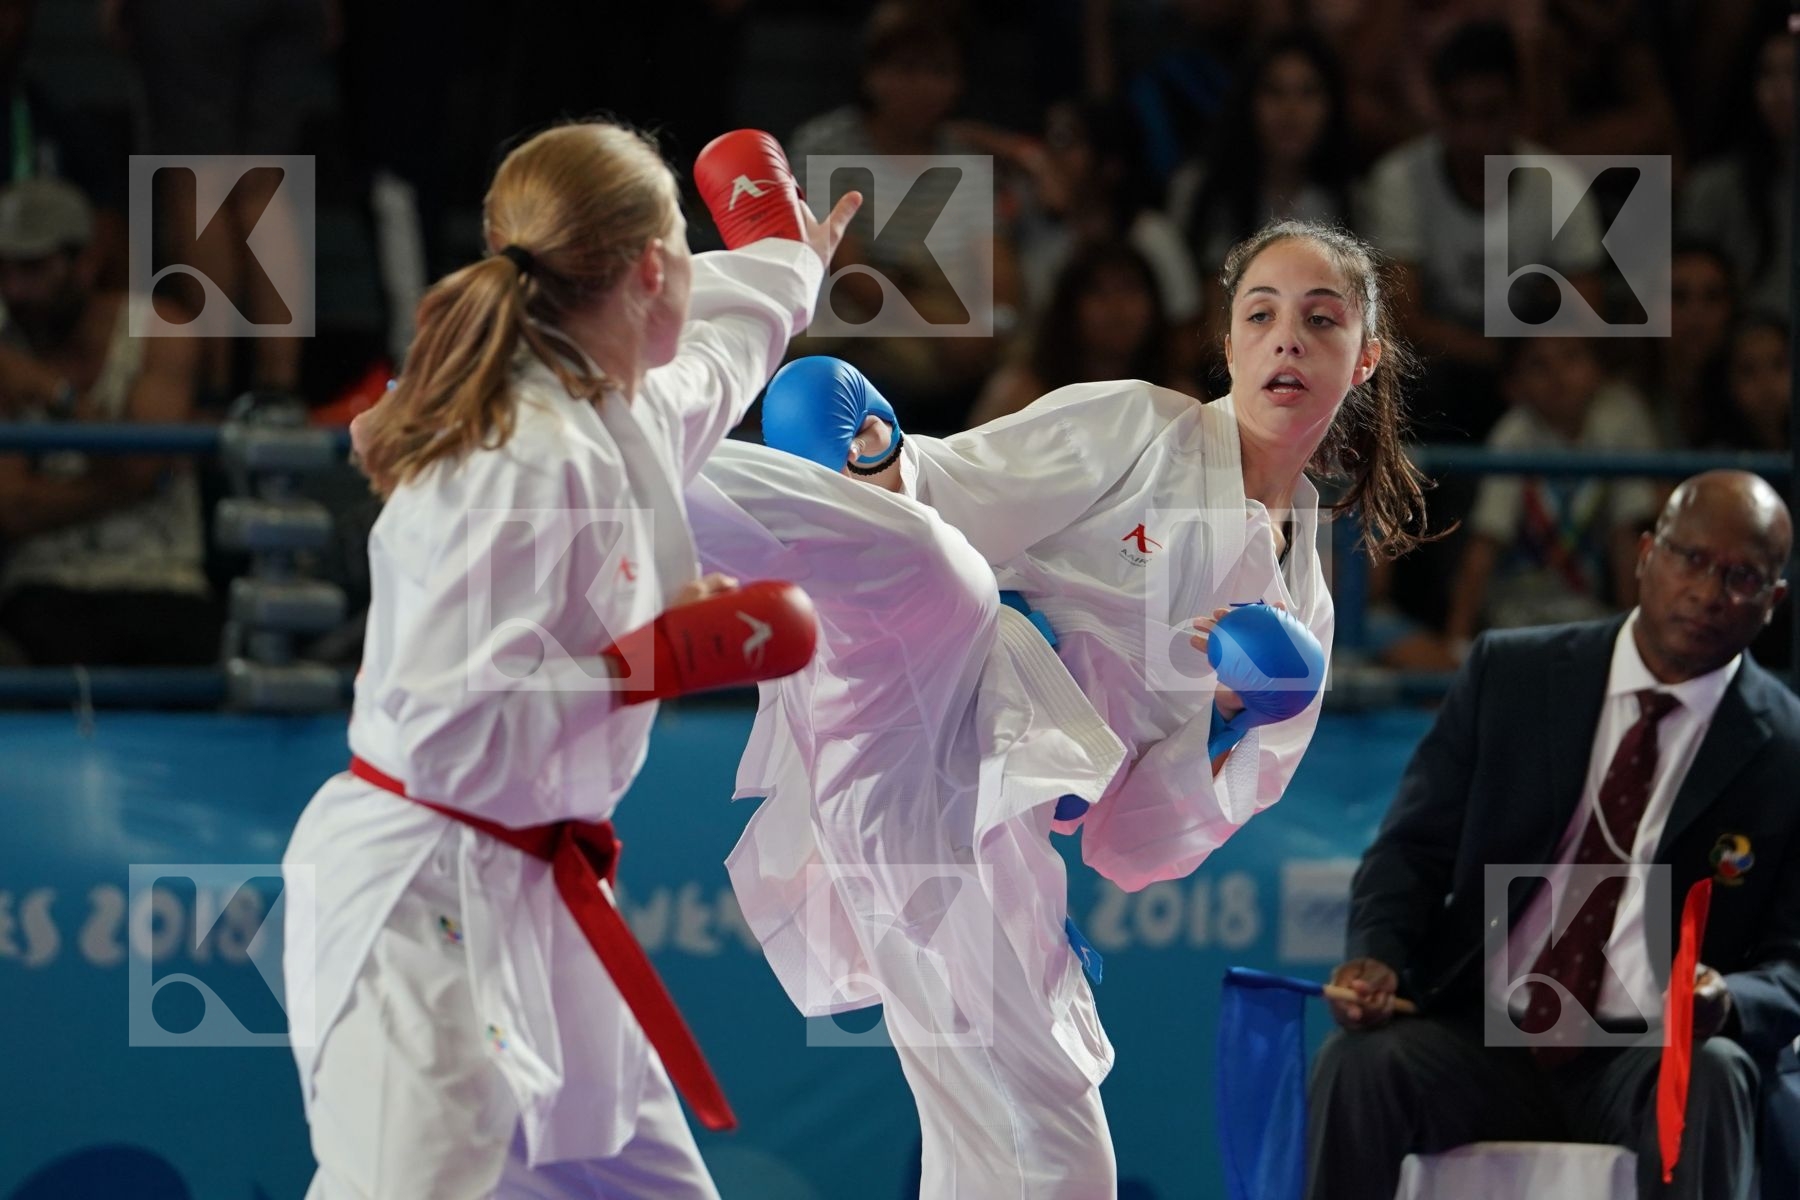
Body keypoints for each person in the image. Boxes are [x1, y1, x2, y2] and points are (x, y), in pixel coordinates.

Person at [283, 121, 857, 1200]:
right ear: (648, 270)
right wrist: (649, 661)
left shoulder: (612, 409)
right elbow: (449, 725)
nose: (696, 268)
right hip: (423, 893)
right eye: (687, 245)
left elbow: (719, 355)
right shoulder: (517, 460)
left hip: (531, 889)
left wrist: (791, 261)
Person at [1308, 471, 1800, 1200]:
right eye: (1690, 559)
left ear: (1772, 603)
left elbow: (1793, 961)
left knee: (1714, 1072)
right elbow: (1410, 851)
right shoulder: (1513, 672)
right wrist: (1376, 959)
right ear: (1644, 553)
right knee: (1358, 1066)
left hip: (1651, 1050)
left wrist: (1729, 998)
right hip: (1485, 1030)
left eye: (1740, 577)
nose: (1707, 590)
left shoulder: (1786, 748)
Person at [904, 218, 1429, 892]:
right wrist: (878, 456)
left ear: (1365, 360)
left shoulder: (1304, 616)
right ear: (1232, 347)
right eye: (1260, 314)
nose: (1288, 339)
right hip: (915, 728)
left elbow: (1132, 846)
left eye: (1322, 320)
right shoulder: (1135, 429)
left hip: (996, 844)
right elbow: (941, 490)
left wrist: (1231, 716)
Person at [687, 417, 1129, 1198]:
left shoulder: (917, 572)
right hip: (915, 864)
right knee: (1048, 1146)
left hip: (909, 859)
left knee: (990, 1144)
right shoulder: (917, 564)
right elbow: (697, 486)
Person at [0, 177, 216, 667]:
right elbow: (11, 509)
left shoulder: (160, 331)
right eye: (2, 271)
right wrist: (134, 482)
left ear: (85, 263)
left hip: (165, 582)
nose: (14, 290)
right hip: (42, 588)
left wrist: (50, 391)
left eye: (32, 269)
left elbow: (141, 464)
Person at [1443, 330, 1661, 646]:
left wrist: (1638, 643)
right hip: (1514, 617)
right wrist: (1457, 644)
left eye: (1571, 357)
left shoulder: (1616, 428)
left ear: (1597, 370)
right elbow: (1484, 547)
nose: (1558, 376)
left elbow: (1626, 541)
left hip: (1589, 615)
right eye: (1539, 365)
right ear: (1513, 386)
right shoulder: (1512, 437)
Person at [970, 239, 1183, 426]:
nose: (1116, 307)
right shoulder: (1019, 395)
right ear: (1069, 307)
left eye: (1129, 289)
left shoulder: (1179, 399)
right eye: (1098, 291)